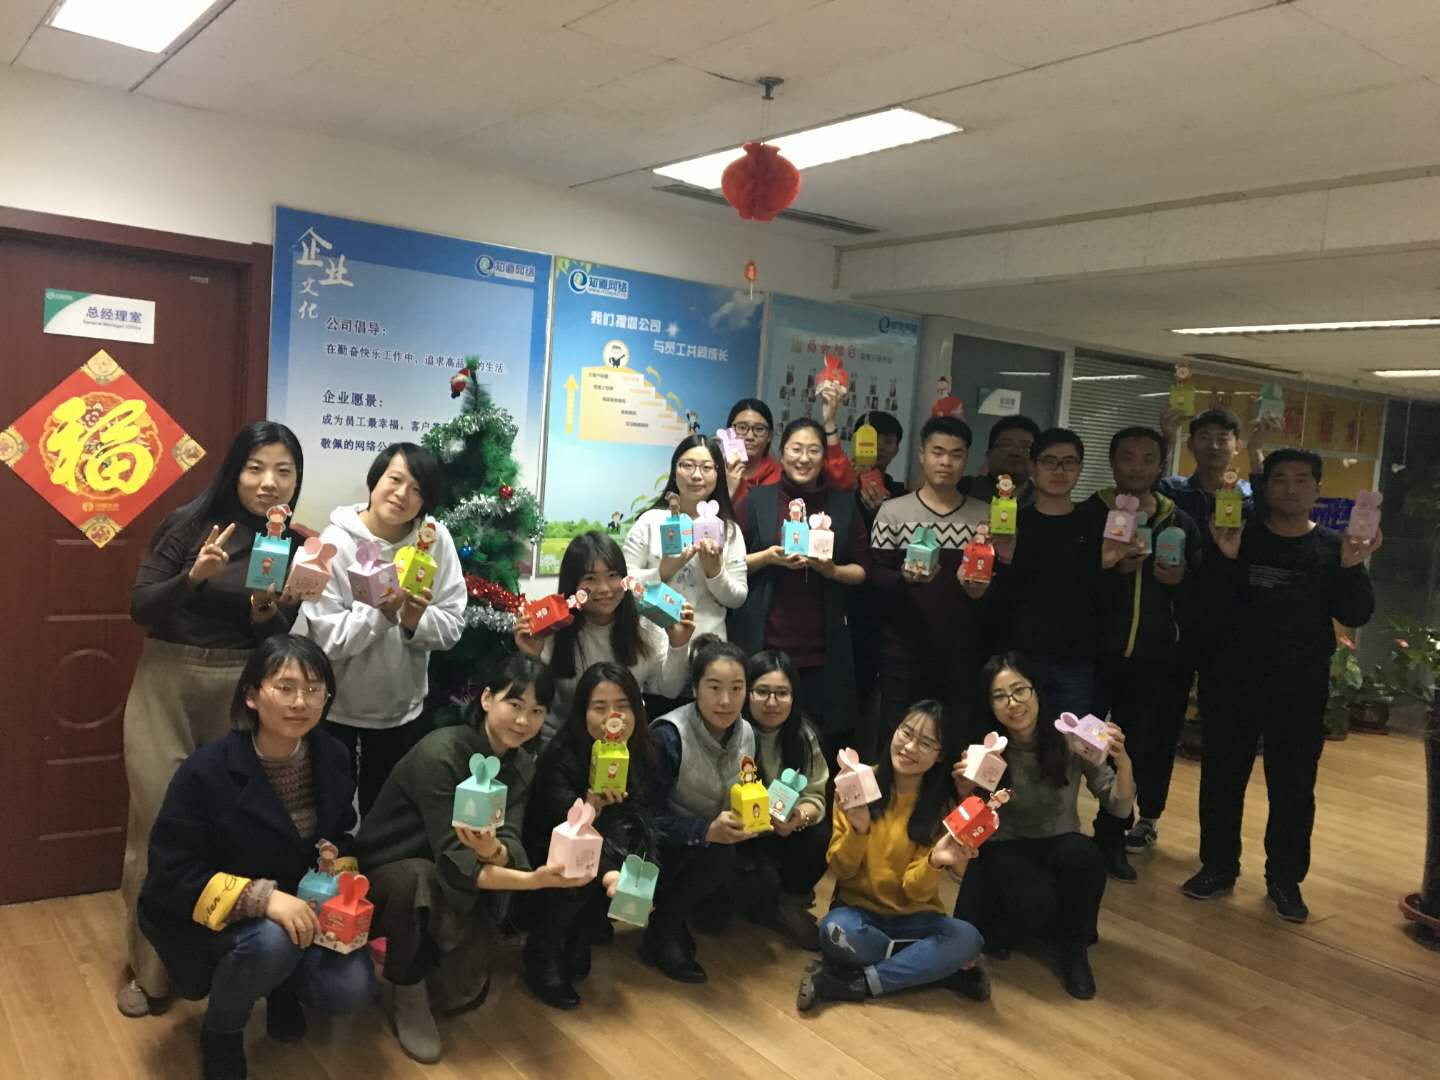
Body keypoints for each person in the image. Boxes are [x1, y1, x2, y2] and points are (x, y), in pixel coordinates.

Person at [118, 421, 305, 1019]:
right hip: (167, 684)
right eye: (256, 468)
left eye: (283, 471)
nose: (269, 482)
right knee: (157, 824)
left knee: (227, 831)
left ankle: (216, 965)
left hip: (238, 691)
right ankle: (150, 972)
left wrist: (266, 610)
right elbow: (140, 607)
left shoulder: (289, 543)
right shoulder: (189, 524)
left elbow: (274, 635)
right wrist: (192, 577)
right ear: (234, 471)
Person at [138, 635, 375, 1080]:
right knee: (272, 941)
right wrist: (263, 899)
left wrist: (336, 868)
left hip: (306, 908)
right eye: (285, 688)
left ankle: (282, 987)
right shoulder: (207, 770)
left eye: (314, 689)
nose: (300, 702)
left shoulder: (333, 755)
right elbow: (173, 870)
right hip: (221, 920)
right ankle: (222, 1032)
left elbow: (342, 832)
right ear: (251, 695)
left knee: (350, 988)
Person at [1183, 449, 1379, 923]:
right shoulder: (1236, 534)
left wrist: (1353, 567)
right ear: (1264, 486)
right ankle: (1218, 867)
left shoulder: (1333, 546)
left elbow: (1355, 614)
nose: (1291, 488)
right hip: (1231, 681)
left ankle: (1285, 880)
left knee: (1293, 786)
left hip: (1299, 687)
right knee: (1222, 778)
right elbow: (1206, 606)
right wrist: (1226, 558)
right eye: (1280, 479)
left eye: (1302, 479)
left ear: (1316, 488)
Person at [355, 653, 578, 1063]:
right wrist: (531, 880)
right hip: (390, 871)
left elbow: (508, 838)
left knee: (459, 996)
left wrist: (495, 851)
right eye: (514, 704)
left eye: (537, 711)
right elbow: (451, 853)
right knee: (418, 878)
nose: (523, 721)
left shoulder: (520, 765)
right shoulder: (441, 753)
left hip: (460, 874)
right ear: (487, 699)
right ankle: (407, 986)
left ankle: (435, 958)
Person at [954, 654, 1135, 999]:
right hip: (1004, 847)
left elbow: (1119, 805)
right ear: (990, 706)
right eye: (1000, 696)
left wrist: (1122, 761)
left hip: (1059, 842)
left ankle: (1074, 952)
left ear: (1037, 691)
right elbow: (966, 830)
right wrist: (964, 789)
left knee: (1084, 855)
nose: (1013, 703)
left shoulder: (1072, 739)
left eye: (1020, 690)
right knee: (1021, 907)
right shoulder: (986, 750)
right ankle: (1029, 925)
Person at [300, 443, 466, 815]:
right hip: (337, 709)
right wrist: (382, 614)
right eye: (395, 479)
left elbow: (453, 624)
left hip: (401, 711)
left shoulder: (435, 541)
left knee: (385, 814)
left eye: (417, 489)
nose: (402, 494)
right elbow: (327, 640)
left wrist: (413, 620)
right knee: (332, 811)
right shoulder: (335, 543)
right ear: (374, 481)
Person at [797, 701, 986, 1011]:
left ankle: (854, 983)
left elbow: (915, 891)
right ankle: (930, 968)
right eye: (906, 733)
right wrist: (859, 829)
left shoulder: (942, 805)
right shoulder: (857, 781)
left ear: (940, 755)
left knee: (968, 939)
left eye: (926, 743)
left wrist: (934, 862)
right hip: (858, 915)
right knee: (833, 931)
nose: (910, 747)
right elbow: (842, 870)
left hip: (917, 918)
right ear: (894, 730)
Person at [1084, 427, 1202, 882]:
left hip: (1153, 658)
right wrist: (1108, 568)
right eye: (1127, 457)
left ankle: (1113, 836)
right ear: (1112, 462)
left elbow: (1204, 591)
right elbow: (1068, 583)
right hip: (1092, 654)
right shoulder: (1088, 513)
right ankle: (1062, 829)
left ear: (1160, 465)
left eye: (1147, 458)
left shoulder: (1179, 522)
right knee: (1082, 743)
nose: (1136, 467)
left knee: (1134, 749)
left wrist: (1180, 582)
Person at [522, 663, 662, 1010]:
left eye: (623, 706)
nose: (613, 717)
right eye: (600, 707)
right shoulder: (561, 756)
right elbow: (558, 830)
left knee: (638, 864)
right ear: (582, 712)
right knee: (577, 876)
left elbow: (646, 818)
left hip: (615, 846)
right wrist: (591, 806)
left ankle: (581, 935)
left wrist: (642, 873)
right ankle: (542, 951)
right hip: (555, 850)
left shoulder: (642, 750)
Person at [730, 417, 869, 757]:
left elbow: (862, 571)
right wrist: (768, 557)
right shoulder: (758, 500)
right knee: (755, 747)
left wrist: (832, 570)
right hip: (763, 647)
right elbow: (728, 562)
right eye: (796, 449)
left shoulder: (843, 504)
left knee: (813, 747)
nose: (804, 458)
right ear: (782, 452)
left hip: (823, 653)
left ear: (824, 457)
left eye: (813, 450)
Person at [990, 428, 1134, 719]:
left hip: (1076, 661)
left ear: (1080, 468)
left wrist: (1109, 566)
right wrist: (1004, 561)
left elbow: (1107, 601)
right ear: (1033, 466)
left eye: (1069, 462)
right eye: (1049, 461)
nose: (1059, 470)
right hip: (1020, 658)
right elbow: (1000, 598)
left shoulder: (1098, 523)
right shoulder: (1012, 523)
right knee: (1018, 742)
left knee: (1070, 743)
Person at [869, 416, 992, 751]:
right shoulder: (892, 512)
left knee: (954, 743)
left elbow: (999, 579)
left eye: (956, 454)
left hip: (961, 652)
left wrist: (982, 591)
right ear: (922, 454)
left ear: (966, 459)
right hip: (903, 650)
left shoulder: (984, 516)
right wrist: (903, 579)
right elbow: (875, 575)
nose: (946, 462)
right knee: (898, 740)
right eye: (938, 452)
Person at [648, 636, 759, 983]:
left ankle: (683, 913)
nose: (726, 700)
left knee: (756, 886)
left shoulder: (747, 733)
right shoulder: (668, 735)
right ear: (695, 689)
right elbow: (644, 818)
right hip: (662, 845)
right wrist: (704, 831)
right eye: (714, 687)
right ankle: (663, 929)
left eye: (736, 688)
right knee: (718, 857)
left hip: (714, 838)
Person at [515, 532, 695, 739]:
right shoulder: (553, 629)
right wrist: (531, 657)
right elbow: (534, 700)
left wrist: (679, 645)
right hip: (562, 741)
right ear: (572, 584)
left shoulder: (646, 626)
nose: (604, 589)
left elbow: (669, 689)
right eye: (590, 578)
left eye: (612, 576)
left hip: (624, 741)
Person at [732, 650, 831, 947]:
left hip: (782, 828)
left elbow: (816, 794)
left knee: (821, 837)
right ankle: (766, 905)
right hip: (739, 834)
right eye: (762, 691)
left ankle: (788, 904)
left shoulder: (803, 735)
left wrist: (798, 817)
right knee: (746, 893)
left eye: (782, 693)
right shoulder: (732, 731)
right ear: (746, 693)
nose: (772, 702)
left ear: (794, 697)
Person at [622, 435, 747, 641]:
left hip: (707, 646)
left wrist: (715, 572)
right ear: (674, 470)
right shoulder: (650, 521)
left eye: (706, 468)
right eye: (687, 465)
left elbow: (737, 599)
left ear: (718, 474)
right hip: (652, 644)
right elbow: (623, 584)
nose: (696, 475)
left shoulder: (729, 530)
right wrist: (662, 571)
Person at [725, 390, 857, 507]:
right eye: (742, 428)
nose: (749, 436)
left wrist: (829, 422)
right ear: (728, 431)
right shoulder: (716, 470)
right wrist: (728, 491)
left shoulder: (785, 473)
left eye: (759, 429)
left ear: (770, 435)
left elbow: (843, 483)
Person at [958, 415, 1041, 506]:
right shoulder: (962, 489)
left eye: (1026, 448)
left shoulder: (1045, 499)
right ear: (989, 455)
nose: (1015, 452)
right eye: (1006, 445)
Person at [854, 409, 907, 527]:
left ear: (896, 450)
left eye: (888, 442)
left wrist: (881, 513)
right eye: (873, 440)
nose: (879, 447)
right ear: (855, 442)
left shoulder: (900, 495)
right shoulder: (840, 485)